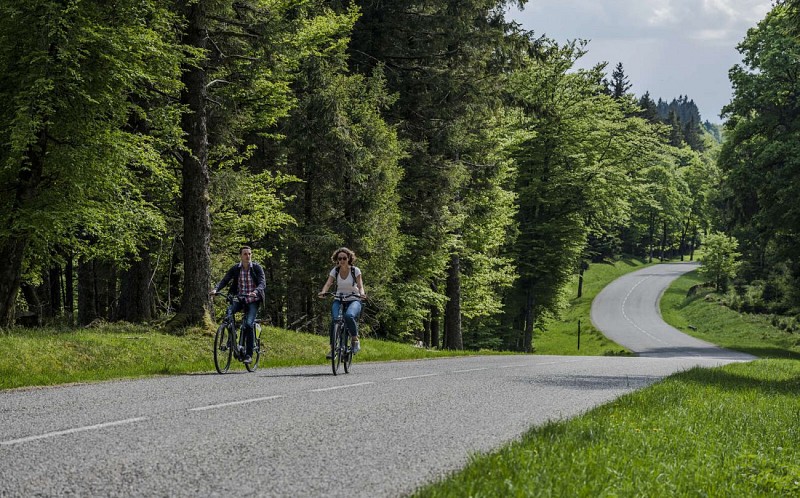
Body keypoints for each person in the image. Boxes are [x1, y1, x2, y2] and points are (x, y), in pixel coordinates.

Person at [210, 246, 266, 364]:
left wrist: (255, 292)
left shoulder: (256, 268)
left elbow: (262, 283)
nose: (247, 256)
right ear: (240, 256)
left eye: (249, 254)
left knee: (249, 325)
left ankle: (249, 355)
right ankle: (232, 337)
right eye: (245, 254)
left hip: (253, 300)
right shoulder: (236, 268)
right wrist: (216, 290)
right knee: (228, 313)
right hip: (240, 298)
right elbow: (225, 280)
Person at [318, 247, 366, 358]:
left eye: (344, 258)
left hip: (354, 299)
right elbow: (328, 283)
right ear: (337, 259)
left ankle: (355, 340)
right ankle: (333, 349)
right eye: (340, 258)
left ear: (349, 258)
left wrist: (362, 294)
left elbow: (360, 286)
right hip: (339, 298)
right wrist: (323, 292)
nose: (342, 260)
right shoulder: (335, 270)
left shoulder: (355, 270)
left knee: (349, 316)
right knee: (335, 320)